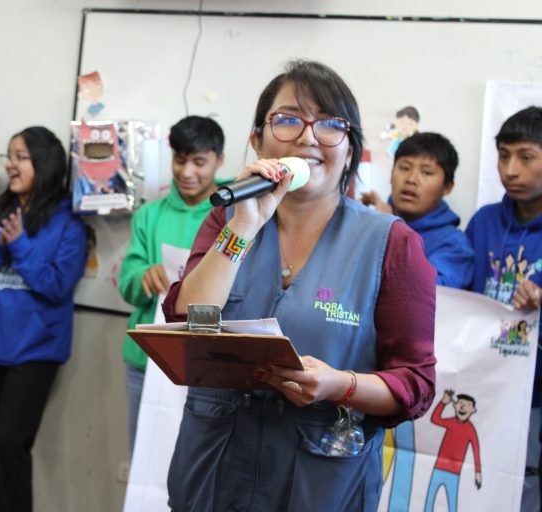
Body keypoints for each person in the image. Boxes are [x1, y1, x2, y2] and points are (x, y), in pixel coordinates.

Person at [161, 60, 437, 511]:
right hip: (215, 472)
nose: (308, 138)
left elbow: (415, 384)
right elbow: (190, 322)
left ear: (350, 149)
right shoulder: (228, 219)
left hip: (318, 482)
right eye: (288, 119)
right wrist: (243, 227)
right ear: (257, 139)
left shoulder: (393, 243)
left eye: (330, 124)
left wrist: (338, 385)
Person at [0, 126, 88, 512]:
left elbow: (57, 285)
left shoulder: (70, 221)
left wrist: (19, 245)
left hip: (36, 349)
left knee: (8, 444)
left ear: (44, 163)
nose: (11, 165)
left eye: (21, 157)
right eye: (9, 156)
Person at [117, 115, 225, 453]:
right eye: (180, 160)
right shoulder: (149, 216)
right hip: (147, 358)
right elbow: (127, 282)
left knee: (197, 461)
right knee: (144, 460)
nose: (187, 172)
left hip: (209, 362)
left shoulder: (235, 214)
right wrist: (142, 276)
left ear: (219, 161)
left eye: (199, 162)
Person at [465, 105, 542, 512]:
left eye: (526, 157)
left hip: (534, 391)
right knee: (476, 474)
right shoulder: (484, 221)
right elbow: (458, 292)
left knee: (525, 479)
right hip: (482, 378)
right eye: (504, 156)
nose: (511, 170)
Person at [361, 132, 473, 288]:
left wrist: (392, 233)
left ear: (447, 187)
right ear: (391, 175)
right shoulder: (373, 221)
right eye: (404, 168)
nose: (411, 179)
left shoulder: (455, 246)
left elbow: (422, 294)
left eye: (427, 172)